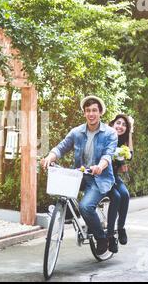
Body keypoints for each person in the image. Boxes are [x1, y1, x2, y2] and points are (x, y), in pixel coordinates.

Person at [41, 96, 119, 255]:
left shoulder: (110, 133)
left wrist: (100, 166)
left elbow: (108, 155)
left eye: (94, 110)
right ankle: (62, 219)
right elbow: (61, 147)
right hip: (79, 175)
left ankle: (102, 237)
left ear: (100, 113)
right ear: (84, 113)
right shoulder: (76, 132)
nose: (91, 114)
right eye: (88, 110)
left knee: (85, 206)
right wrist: (50, 157)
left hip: (99, 178)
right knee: (61, 193)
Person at [107, 114, 134, 248]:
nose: (121, 126)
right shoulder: (105, 135)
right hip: (103, 176)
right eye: (118, 123)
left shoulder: (121, 141)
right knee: (117, 197)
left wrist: (130, 131)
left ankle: (121, 227)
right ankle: (110, 235)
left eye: (124, 125)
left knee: (125, 195)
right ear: (112, 124)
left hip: (114, 177)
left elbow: (130, 156)